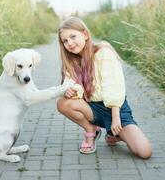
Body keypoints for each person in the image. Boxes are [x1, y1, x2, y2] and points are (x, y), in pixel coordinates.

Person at [56, 17, 152, 159]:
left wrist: (115, 117)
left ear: (85, 34)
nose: (69, 43)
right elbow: (69, 82)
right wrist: (68, 89)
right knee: (62, 102)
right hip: (93, 108)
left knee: (144, 152)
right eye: (65, 41)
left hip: (116, 109)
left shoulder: (103, 53)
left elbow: (113, 86)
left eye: (72, 36)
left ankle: (116, 134)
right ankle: (91, 131)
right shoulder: (71, 61)